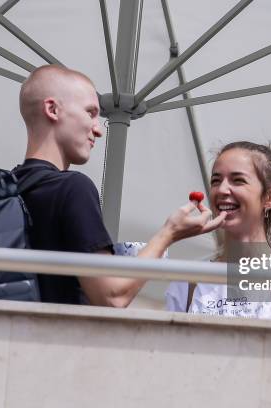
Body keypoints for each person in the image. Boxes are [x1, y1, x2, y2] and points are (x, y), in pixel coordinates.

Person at [14, 65, 226, 307]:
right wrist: (168, 234)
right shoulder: (73, 187)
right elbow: (112, 296)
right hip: (56, 340)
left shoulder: (5, 189)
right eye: (90, 112)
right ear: (52, 109)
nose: (98, 129)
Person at [166, 141, 271, 318]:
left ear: (270, 197)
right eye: (216, 181)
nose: (222, 189)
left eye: (238, 180)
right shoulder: (188, 280)